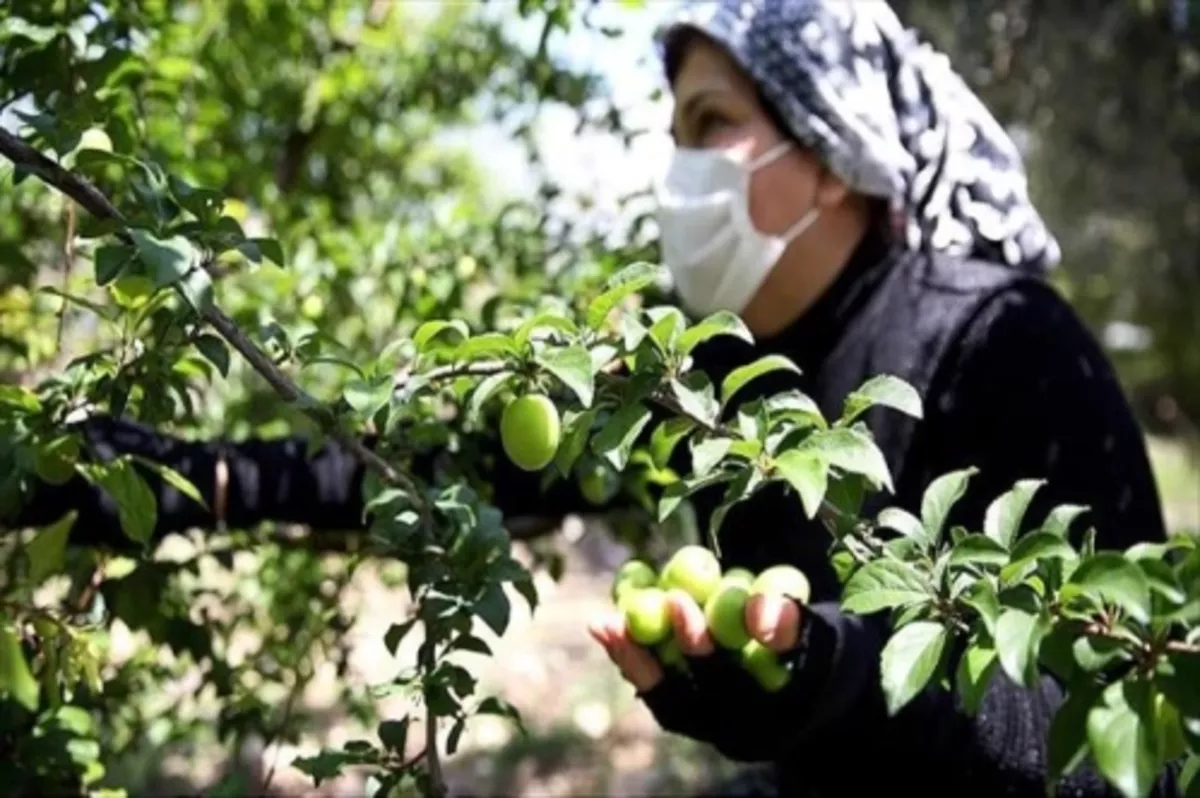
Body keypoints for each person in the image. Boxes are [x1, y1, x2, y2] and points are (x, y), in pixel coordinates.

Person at [1, 1, 1180, 795]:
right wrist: (199, 478)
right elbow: (451, 471)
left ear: (831, 151)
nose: (683, 166)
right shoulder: (693, 371)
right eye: (674, 131)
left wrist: (835, 684)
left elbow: (1112, 731)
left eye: (713, 123)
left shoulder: (1008, 343)